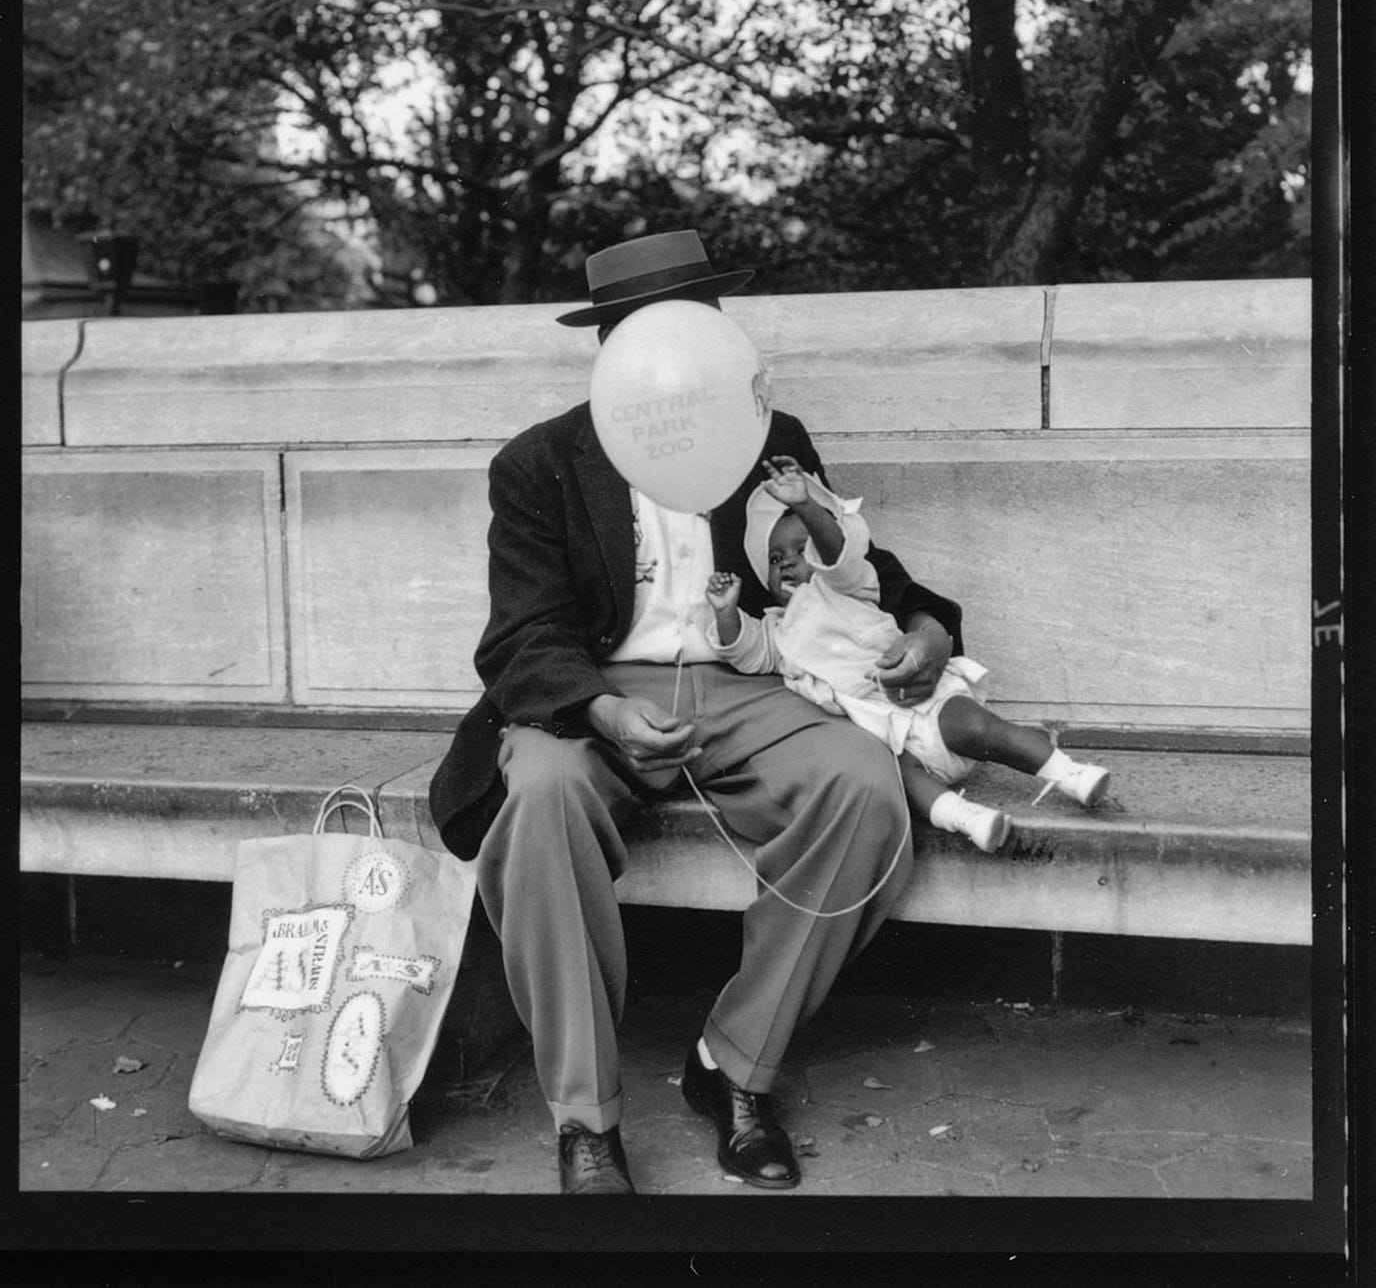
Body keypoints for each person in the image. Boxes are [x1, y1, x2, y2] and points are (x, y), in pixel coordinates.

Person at [426, 229, 965, 1195]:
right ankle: (586, 1122)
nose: (683, 342)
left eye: (699, 318)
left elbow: (856, 567)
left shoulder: (769, 435)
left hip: (749, 685)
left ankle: (734, 1067)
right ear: (615, 343)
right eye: (653, 326)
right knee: (540, 806)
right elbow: (525, 637)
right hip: (594, 701)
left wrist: (925, 627)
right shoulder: (541, 463)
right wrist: (602, 712)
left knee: (867, 791)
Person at [701, 461, 1110, 858]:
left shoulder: (849, 586)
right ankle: (967, 818)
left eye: (800, 548)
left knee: (983, 728)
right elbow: (746, 651)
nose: (788, 560)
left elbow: (837, 554)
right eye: (775, 558)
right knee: (905, 779)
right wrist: (724, 612)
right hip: (884, 734)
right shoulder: (777, 631)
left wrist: (807, 505)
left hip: (922, 702)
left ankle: (1067, 774)